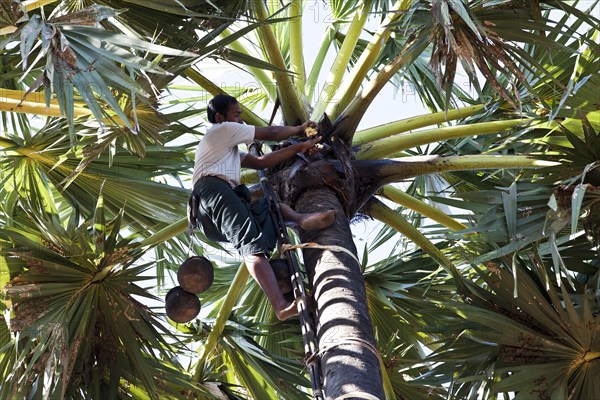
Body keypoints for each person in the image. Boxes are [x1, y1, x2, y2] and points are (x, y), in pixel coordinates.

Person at [189, 94, 336, 320]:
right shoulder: (222, 130)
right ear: (220, 117)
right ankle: (281, 307)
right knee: (251, 244)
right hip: (213, 191)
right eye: (237, 115)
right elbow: (272, 133)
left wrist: (301, 148)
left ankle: (300, 220)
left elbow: (262, 162)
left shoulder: (229, 151)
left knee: (269, 207)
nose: (240, 121)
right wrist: (299, 130)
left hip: (210, 215)